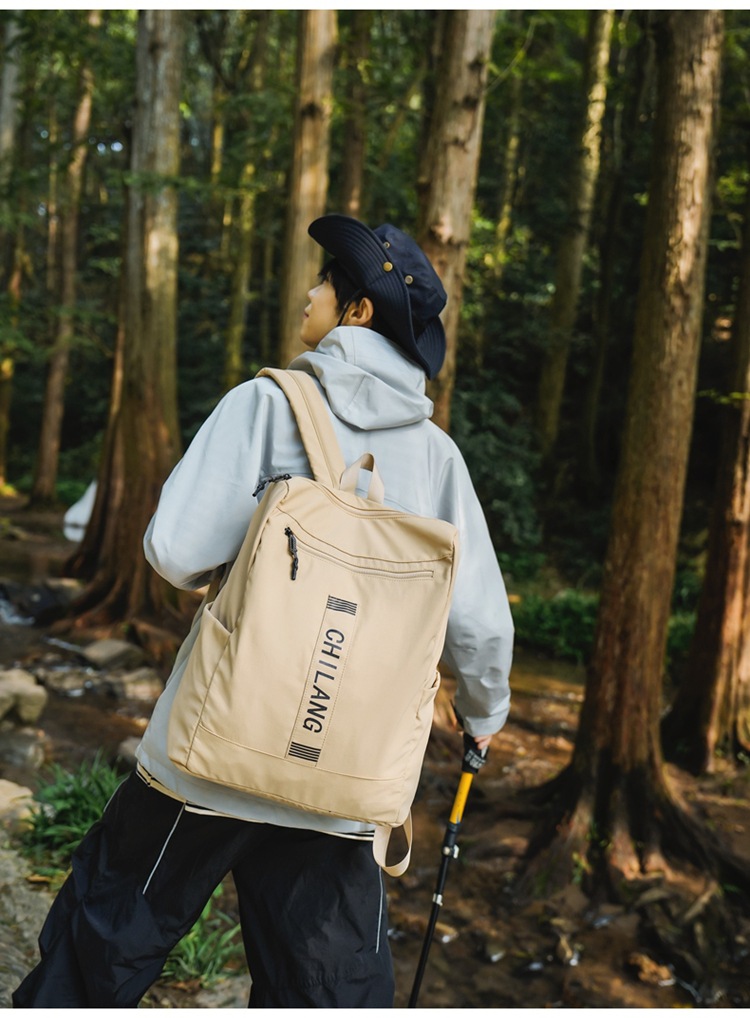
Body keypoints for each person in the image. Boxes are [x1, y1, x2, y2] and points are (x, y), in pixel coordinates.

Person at [13, 214, 513, 1008]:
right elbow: (480, 626)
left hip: (211, 753)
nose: (309, 296)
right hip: (344, 781)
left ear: (357, 312)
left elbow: (174, 551)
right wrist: (484, 718)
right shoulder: (438, 459)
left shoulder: (265, 404)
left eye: (324, 284)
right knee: (327, 993)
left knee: (100, 950)